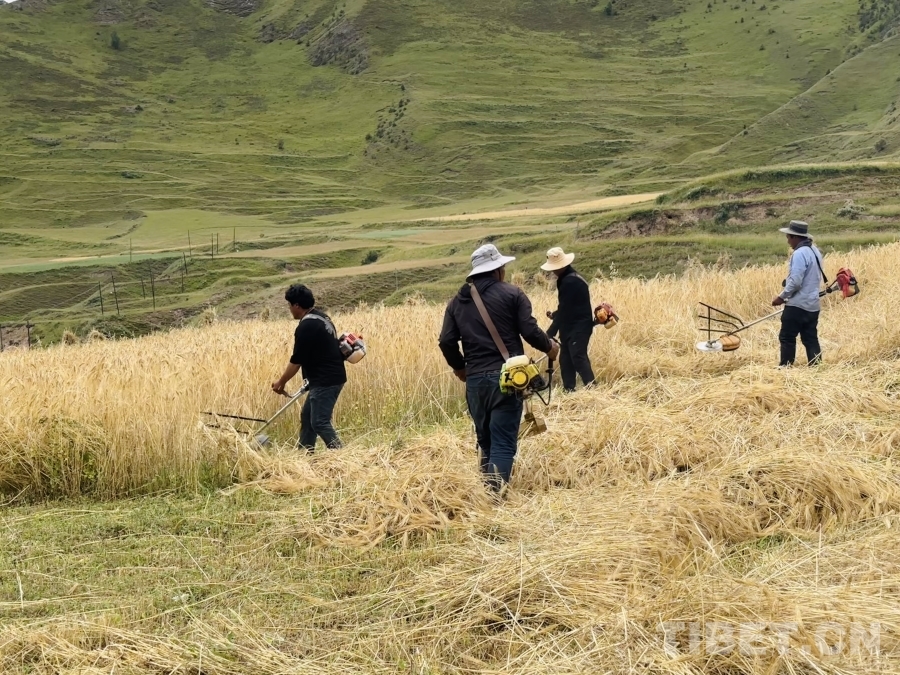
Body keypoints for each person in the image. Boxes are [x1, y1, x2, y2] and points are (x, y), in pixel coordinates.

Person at [439, 244, 559, 493]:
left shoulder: (456, 303)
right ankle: (493, 500)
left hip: (475, 382)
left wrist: (460, 368)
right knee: (503, 443)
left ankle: (486, 493)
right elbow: (529, 331)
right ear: (498, 270)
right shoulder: (513, 294)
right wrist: (550, 347)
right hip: (507, 379)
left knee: (485, 441)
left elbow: (446, 341)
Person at [272, 284, 346, 452]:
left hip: (325, 380)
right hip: (328, 377)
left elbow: (297, 361)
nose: (289, 309)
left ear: (297, 305)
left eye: (290, 305)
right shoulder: (321, 317)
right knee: (308, 418)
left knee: (319, 422)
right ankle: (305, 455)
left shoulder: (306, 326)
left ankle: (342, 455)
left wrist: (281, 382)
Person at [541, 247, 596, 392]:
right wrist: (556, 314)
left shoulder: (570, 281)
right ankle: (569, 390)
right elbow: (568, 306)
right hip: (570, 326)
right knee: (565, 360)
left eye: (554, 268)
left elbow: (566, 309)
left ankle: (592, 389)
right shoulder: (567, 278)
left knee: (578, 357)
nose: (553, 271)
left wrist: (550, 332)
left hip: (579, 326)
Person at [771, 220, 825, 367]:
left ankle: (786, 368)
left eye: (788, 237)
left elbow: (795, 282)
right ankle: (817, 367)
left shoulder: (799, 254)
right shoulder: (815, 251)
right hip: (813, 305)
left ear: (795, 237)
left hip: (797, 305)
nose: (788, 241)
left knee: (787, 337)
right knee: (810, 338)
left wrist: (781, 297)